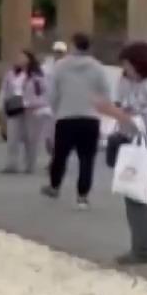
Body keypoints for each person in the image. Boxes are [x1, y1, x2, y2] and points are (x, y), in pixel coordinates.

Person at [95, 41, 147, 265]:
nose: (125, 70)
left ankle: (143, 249)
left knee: (137, 199)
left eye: (127, 65)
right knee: (145, 198)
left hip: (146, 145)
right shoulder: (146, 84)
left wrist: (110, 111)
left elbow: (140, 122)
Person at [42, 32, 111, 210]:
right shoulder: (97, 67)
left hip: (66, 116)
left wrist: (56, 110)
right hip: (90, 118)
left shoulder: (61, 66)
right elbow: (105, 93)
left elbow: (53, 93)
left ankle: (55, 186)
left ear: (73, 45)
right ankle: (82, 196)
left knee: (60, 155)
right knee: (87, 158)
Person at [0, 50, 48, 176]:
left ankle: (29, 165)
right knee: (12, 137)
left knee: (31, 138)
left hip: (31, 109)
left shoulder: (37, 76)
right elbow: (4, 90)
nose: (19, 60)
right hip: (14, 107)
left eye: (22, 57)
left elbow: (44, 93)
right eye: (18, 57)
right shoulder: (11, 74)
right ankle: (11, 164)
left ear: (29, 59)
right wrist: (0, 103)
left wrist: (36, 104)